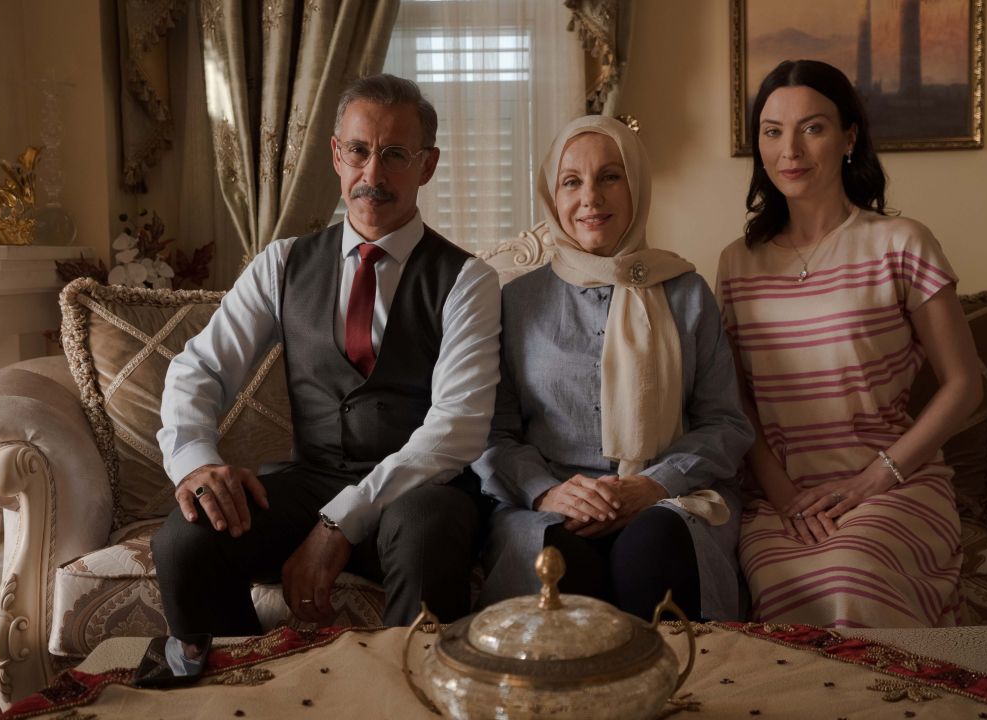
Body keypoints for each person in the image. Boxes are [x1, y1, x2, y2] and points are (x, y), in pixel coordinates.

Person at [152, 74, 501, 634]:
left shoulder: (468, 280)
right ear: (337, 155)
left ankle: (407, 684)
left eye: (395, 155)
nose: (373, 175)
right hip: (311, 482)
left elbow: (456, 428)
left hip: (419, 493)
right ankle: (246, 679)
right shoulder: (281, 264)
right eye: (359, 151)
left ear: (427, 166)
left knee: (426, 531)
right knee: (184, 540)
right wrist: (195, 462)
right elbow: (201, 368)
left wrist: (338, 524)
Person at [717, 60, 981, 627]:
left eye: (812, 128)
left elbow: (965, 386)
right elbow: (737, 402)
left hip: (892, 486)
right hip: (782, 499)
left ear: (849, 137)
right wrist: (784, 496)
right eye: (772, 131)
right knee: (785, 597)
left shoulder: (902, 243)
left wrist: (873, 479)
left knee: (847, 578)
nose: (790, 150)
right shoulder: (737, 263)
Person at [473, 115, 754, 621]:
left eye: (609, 176)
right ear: (552, 196)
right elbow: (492, 433)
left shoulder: (686, 293)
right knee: (559, 564)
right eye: (571, 182)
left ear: (637, 187)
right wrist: (548, 492)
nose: (591, 198)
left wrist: (654, 484)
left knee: (651, 550)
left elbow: (725, 423)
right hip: (552, 504)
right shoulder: (516, 303)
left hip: (669, 498)